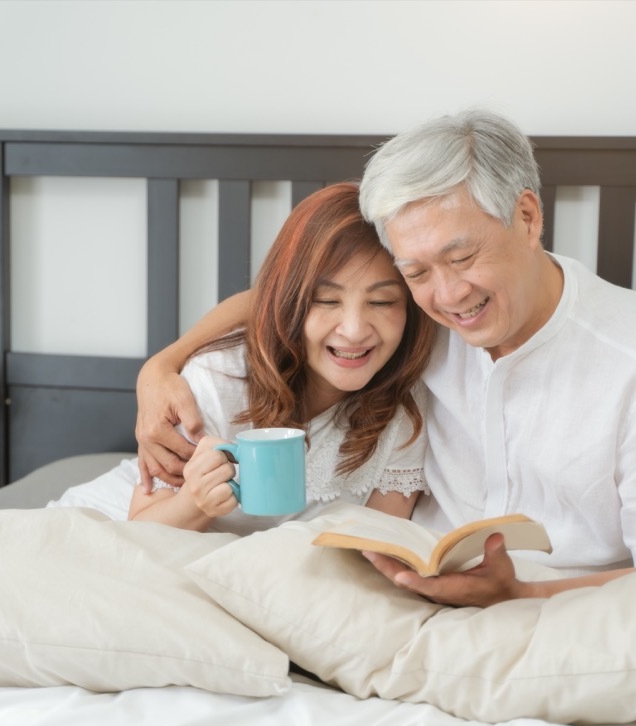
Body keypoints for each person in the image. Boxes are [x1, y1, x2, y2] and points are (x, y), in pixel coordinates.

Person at [133, 108, 636, 605]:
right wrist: (162, 365)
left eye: (464, 258)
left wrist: (520, 596)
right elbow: (286, 302)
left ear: (527, 218)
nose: (447, 296)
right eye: (415, 271)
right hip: (405, 600)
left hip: (577, 606)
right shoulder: (407, 318)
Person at [50, 182, 435, 535]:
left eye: (383, 301)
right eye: (326, 300)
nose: (354, 329)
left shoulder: (407, 408)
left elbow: (383, 544)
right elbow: (142, 529)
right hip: (111, 527)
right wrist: (195, 503)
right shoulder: (221, 379)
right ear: (289, 303)